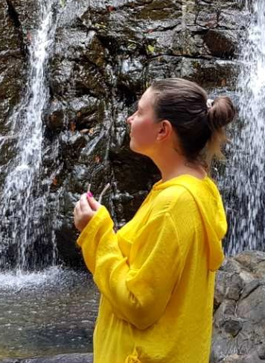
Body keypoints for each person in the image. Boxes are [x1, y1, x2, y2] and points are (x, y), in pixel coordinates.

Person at [73, 78, 235, 363]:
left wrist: (97, 231)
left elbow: (139, 305)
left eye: (139, 111)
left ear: (163, 130)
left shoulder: (174, 203)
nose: (130, 118)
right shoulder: (197, 188)